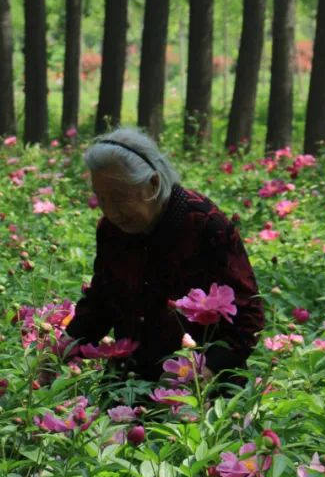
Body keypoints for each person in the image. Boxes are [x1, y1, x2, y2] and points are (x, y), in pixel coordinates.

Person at [64, 128, 265, 389]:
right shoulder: (112, 230)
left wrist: (210, 368)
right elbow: (103, 299)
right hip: (131, 382)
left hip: (203, 390)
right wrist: (62, 349)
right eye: (102, 199)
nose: (112, 211)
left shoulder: (203, 223)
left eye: (120, 197)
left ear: (154, 184)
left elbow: (248, 312)